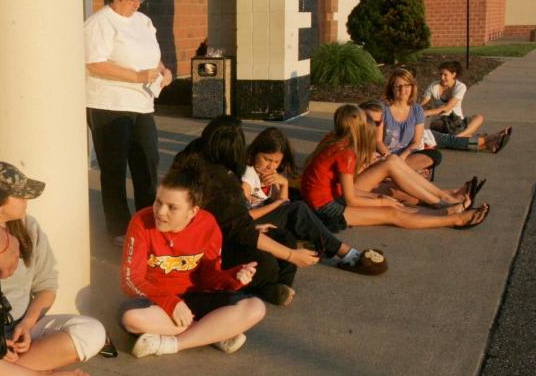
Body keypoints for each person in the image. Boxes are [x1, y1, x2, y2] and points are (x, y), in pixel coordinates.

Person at [0, 161, 105, 376]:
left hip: (23, 330)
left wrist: (28, 324)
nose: (26, 199)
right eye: (19, 195)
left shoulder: (29, 227)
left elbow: (47, 286)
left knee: (92, 331)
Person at [119, 155, 266, 357]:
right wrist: (172, 303)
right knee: (131, 318)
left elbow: (209, 277)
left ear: (192, 211)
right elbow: (131, 280)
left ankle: (170, 344)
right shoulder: (141, 222)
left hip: (196, 299)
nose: (160, 212)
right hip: (157, 303)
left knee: (255, 307)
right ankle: (214, 332)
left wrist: (233, 277)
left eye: (172, 207)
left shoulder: (208, 225)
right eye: (158, 202)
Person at [176, 116, 318, 307]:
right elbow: (240, 230)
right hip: (205, 248)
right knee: (267, 264)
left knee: (282, 237)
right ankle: (266, 287)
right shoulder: (218, 181)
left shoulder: (194, 153)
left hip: (222, 231)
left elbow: (231, 221)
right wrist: (292, 255)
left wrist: (255, 226)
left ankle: (277, 287)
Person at [85, 0, 173, 246]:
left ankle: (150, 221)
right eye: (131, 0)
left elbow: (153, 55)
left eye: (139, 0)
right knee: (114, 167)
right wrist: (135, 76)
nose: (136, 5)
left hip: (142, 102)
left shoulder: (143, 21)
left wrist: (164, 70)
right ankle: (118, 229)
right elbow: (94, 62)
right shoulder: (100, 22)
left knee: (147, 162)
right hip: (108, 103)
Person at [301, 104, 490, 231]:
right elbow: (350, 198)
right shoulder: (346, 152)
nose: (374, 126)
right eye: (370, 122)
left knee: (394, 199)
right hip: (327, 210)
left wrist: (381, 198)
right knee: (392, 212)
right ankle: (454, 218)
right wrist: (382, 202)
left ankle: (446, 206)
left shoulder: (336, 139)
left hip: (334, 196)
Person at [242, 128, 387, 275]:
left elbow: (284, 204)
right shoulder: (247, 176)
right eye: (267, 159)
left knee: (302, 214)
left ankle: (323, 245)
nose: (271, 166)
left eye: (276, 162)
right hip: (248, 224)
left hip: (265, 219)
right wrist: (277, 203)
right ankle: (346, 253)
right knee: (299, 209)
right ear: (255, 153)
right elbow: (243, 216)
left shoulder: (270, 174)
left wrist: (284, 183)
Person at [420, 60, 512, 153]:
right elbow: (422, 104)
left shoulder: (460, 86)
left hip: (457, 122)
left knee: (479, 117)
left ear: (453, 74)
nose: (442, 77)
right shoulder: (434, 86)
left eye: (445, 75)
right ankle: (491, 138)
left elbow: (447, 108)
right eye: (440, 74)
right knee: (454, 135)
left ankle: (460, 138)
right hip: (440, 123)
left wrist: (426, 112)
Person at [377, 68, 441, 176]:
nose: (403, 90)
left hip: (406, 157)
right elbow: (377, 141)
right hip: (384, 155)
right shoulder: (382, 109)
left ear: (412, 87)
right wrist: (390, 157)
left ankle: (394, 172)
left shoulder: (417, 110)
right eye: (398, 86)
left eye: (407, 85)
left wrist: (403, 156)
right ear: (391, 89)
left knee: (435, 155)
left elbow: (416, 141)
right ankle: (407, 173)